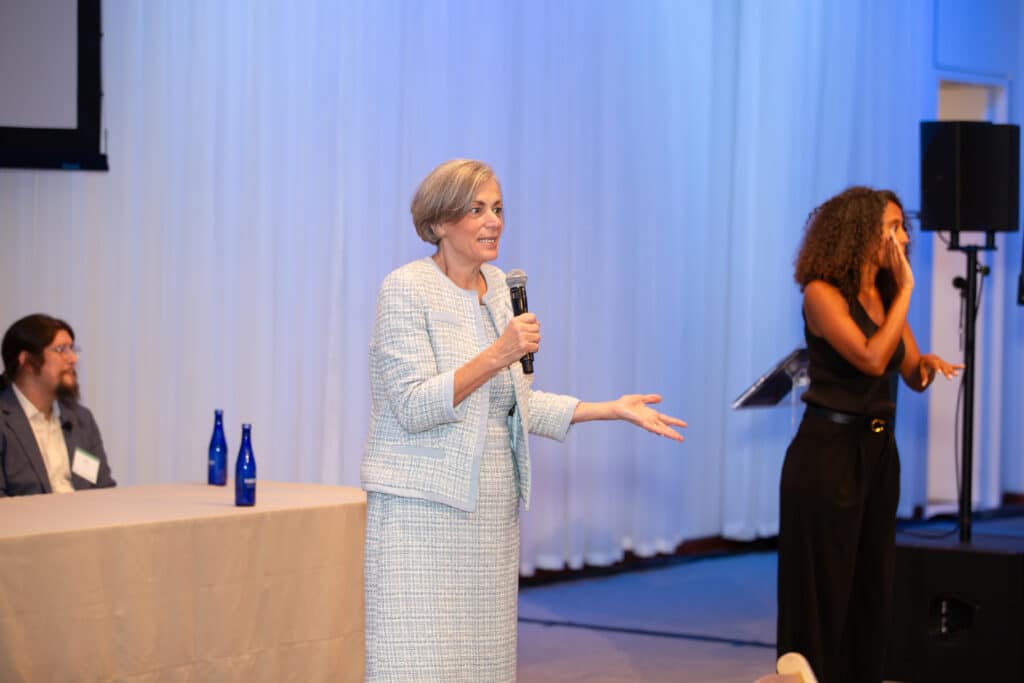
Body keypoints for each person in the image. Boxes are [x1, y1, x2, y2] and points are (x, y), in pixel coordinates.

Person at [361, 159, 687, 682]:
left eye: (498, 209)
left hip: (490, 507)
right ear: (441, 222)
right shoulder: (406, 289)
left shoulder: (499, 287)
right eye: (477, 210)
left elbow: (512, 403)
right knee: (418, 663)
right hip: (421, 512)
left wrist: (608, 409)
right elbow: (414, 405)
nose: (494, 222)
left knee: (482, 666)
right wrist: (498, 353)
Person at [777, 187, 962, 683]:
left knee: (869, 588)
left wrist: (927, 364)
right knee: (823, 592)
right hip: (827, 454)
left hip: (879, 452)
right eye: (893, 228)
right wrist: (906, 293)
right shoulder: (821, 292)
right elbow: (870, 357)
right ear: (860, 232)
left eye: (904, 227)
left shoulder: (884, 292)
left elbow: (908, 373)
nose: (903, 238)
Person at [0, 313, 115, 496]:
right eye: (61, 349)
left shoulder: (81, 419)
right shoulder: (4, 421)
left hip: (86, 521)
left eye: (72, 349)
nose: (73, 359)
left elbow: (104, 490)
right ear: (27, 361)